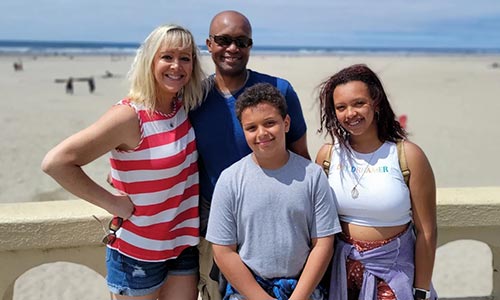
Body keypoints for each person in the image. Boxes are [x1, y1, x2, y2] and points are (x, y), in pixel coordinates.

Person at [42, 24, 205, 300]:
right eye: (167, 56)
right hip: (138, 255)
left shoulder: (181, 107)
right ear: (150, 60)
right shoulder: (129, 116)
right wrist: (112, 202)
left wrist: (120, 172)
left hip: (182, 245)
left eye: (185, 58)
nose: (176, 66)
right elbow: (56, 162)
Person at [189, 10, 310, 300]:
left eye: (241, 42)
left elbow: (302, 158)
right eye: (224, 40)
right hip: (216, 227)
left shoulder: (279, 90)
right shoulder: (193, 97)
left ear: (250, 46)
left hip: (277, 224)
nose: (233, 48)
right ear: (208, 43)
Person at [206, 83, 341, 300]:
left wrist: (298, 297)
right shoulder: (230, 179)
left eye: (270, 123)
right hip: (247, 292)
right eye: (251, 127)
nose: (262, 133)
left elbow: (323, 244)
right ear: (243, 130)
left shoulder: (313, 176)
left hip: (303, 289)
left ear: (286, 123)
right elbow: (223, 251)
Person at [315, 64, 437, 300]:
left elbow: (427, 232)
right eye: (341, 107)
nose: (350, 113)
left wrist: (421, 291)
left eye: (359, 103)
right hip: (339, 273)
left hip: (394, 274)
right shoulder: (328, 156)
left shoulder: (408, 155)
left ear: (376, 102)